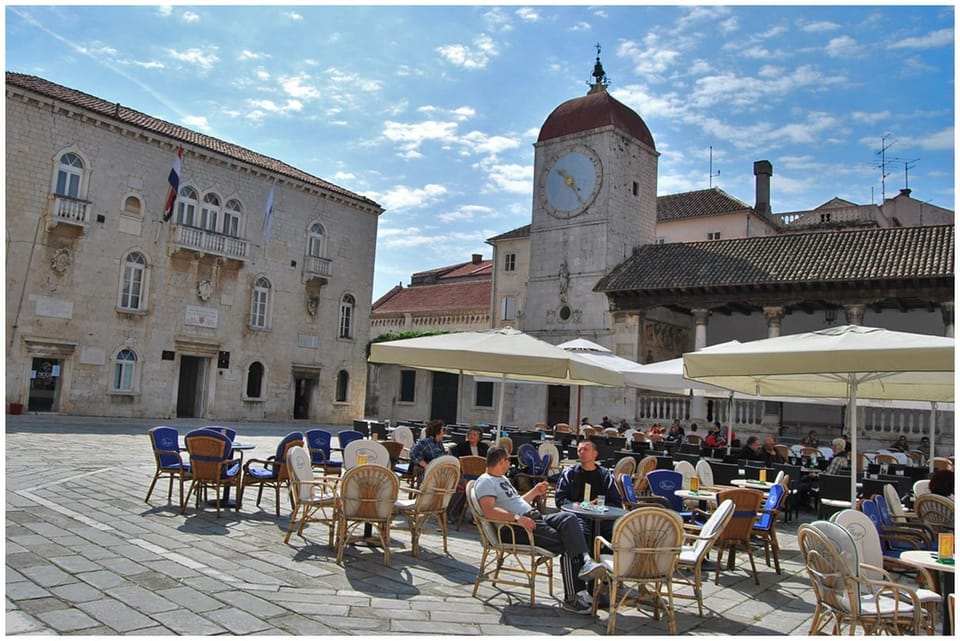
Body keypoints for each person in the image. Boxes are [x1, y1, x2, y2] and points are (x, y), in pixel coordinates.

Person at [474, 447, 606, 614]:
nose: (509, 463)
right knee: (569, 541)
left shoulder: (501, 478)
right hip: (516, 529)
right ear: (501, 461)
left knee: (569, 518)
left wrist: (534, 491)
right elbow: (489, 511)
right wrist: (518, 519)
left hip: (532, 519)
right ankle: (573, 597)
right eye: (508, 460)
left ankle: (586, 561)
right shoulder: (486, 481)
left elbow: (517, 502)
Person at [555, 440, 623, 543]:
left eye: (585, 449)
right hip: (577, 515)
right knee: (581, 531)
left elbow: (616, 502)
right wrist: (575, 505)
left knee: (617, 533)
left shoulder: (606, 476)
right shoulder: (569, 474)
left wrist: (600, 506)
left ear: (595, 454)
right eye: (579, 450)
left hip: (602, 517)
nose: (582, 452)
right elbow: (560, 499)